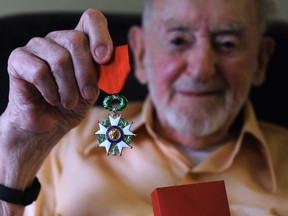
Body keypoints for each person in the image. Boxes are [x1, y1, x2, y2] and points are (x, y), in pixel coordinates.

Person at [1, 0, 288, 215]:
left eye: (227, 43)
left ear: (261, 60)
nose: (201, 69)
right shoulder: (62, 141)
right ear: (140, 52)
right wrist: (16, 158)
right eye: (177, 40)